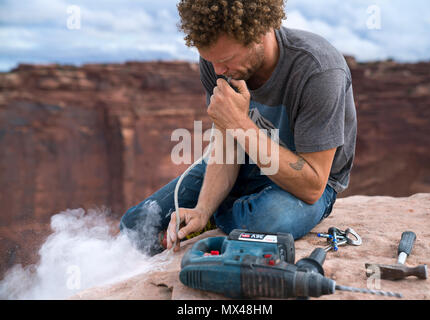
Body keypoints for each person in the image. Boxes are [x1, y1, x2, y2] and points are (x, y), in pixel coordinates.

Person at [119, 0, 357, 255]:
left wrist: (240, 124)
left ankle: (224, 217)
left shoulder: (318, 70)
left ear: (260, 32)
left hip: (306, 182)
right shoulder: (217, 62)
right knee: (135, 226)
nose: (218, 70)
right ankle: (220, 216)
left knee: (266, 221)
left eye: (227, 59)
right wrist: (201, 210)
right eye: (211, 60)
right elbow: (226, 147)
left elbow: (312, 186)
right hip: (246, 162)